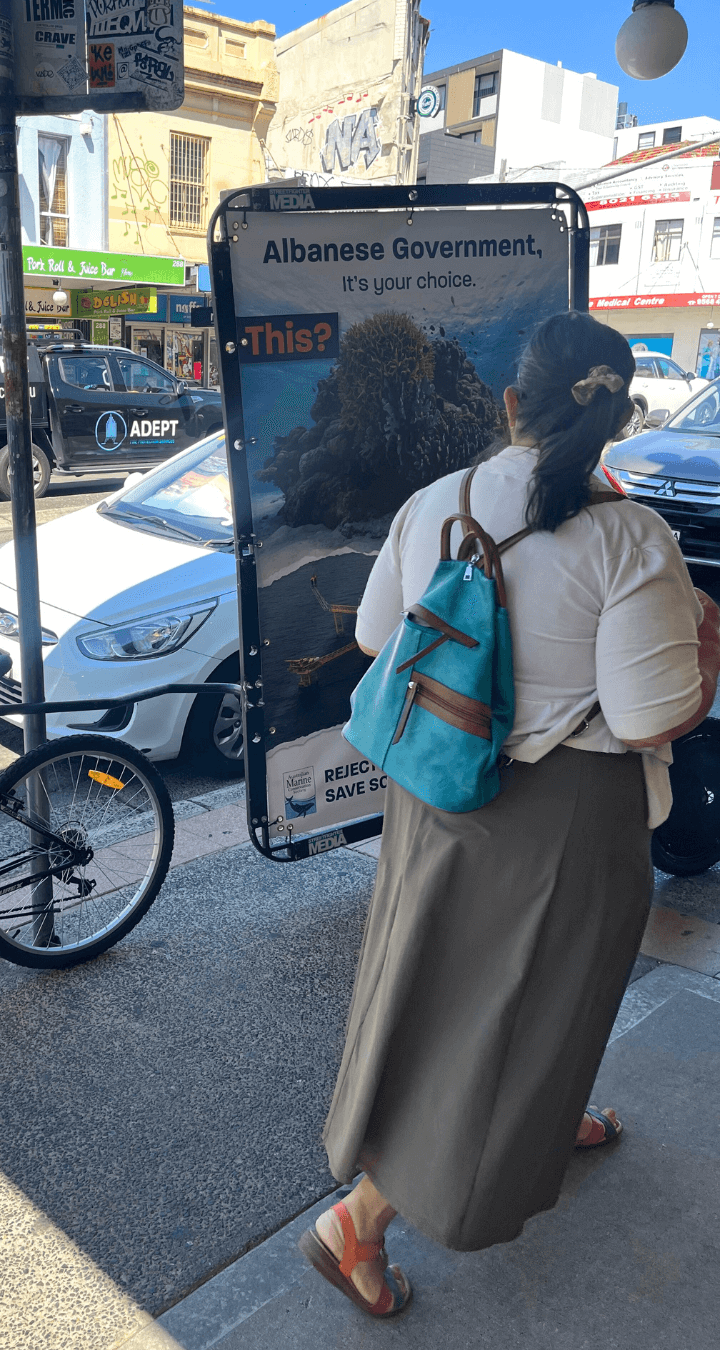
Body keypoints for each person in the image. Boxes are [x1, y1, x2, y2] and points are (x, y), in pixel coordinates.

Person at [298, 311, 720, 1317]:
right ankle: (360, 1220)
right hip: (566, 818)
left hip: (438, 791)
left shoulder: (436, 501)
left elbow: (376, 636)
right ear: (619, 416)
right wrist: (706, 649)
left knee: (436, 986)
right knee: (518, 1012)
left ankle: (548, 1111)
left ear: (511, 401)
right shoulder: (630, 538)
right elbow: (649, 714)